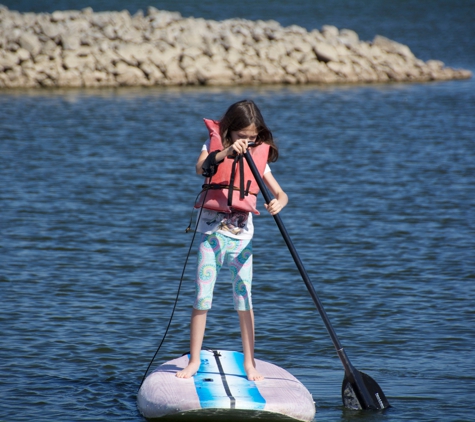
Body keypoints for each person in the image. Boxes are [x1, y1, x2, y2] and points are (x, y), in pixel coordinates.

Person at [176, 100, 288, 381]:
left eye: (252, 138)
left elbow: (280, 193)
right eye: (242, 138)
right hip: (211, 238)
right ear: (229, 131)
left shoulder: (256, 154)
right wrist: (227, 151)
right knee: (202, 298)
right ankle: (194, 360)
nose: (248, 143)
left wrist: (279, 203)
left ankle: (250, 363)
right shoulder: (213, 146)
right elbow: (201, 167)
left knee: (244, 300)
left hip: (241, 241)